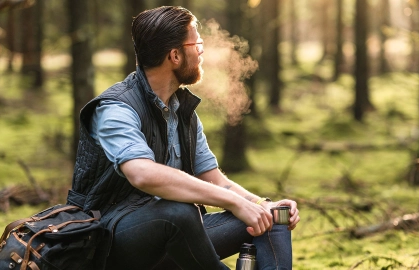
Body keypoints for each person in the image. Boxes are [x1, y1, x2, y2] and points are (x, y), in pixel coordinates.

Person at [67, 6, 300, 270]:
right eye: (197, 43)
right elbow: (142, 173)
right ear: (175, 55)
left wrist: (259, 203)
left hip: (179, 236)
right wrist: (234, 203)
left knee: (271, 218)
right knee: (178, 213)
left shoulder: (182, 111)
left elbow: (214, 179)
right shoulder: (115, 109)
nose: (202, 50)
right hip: (109, 244)